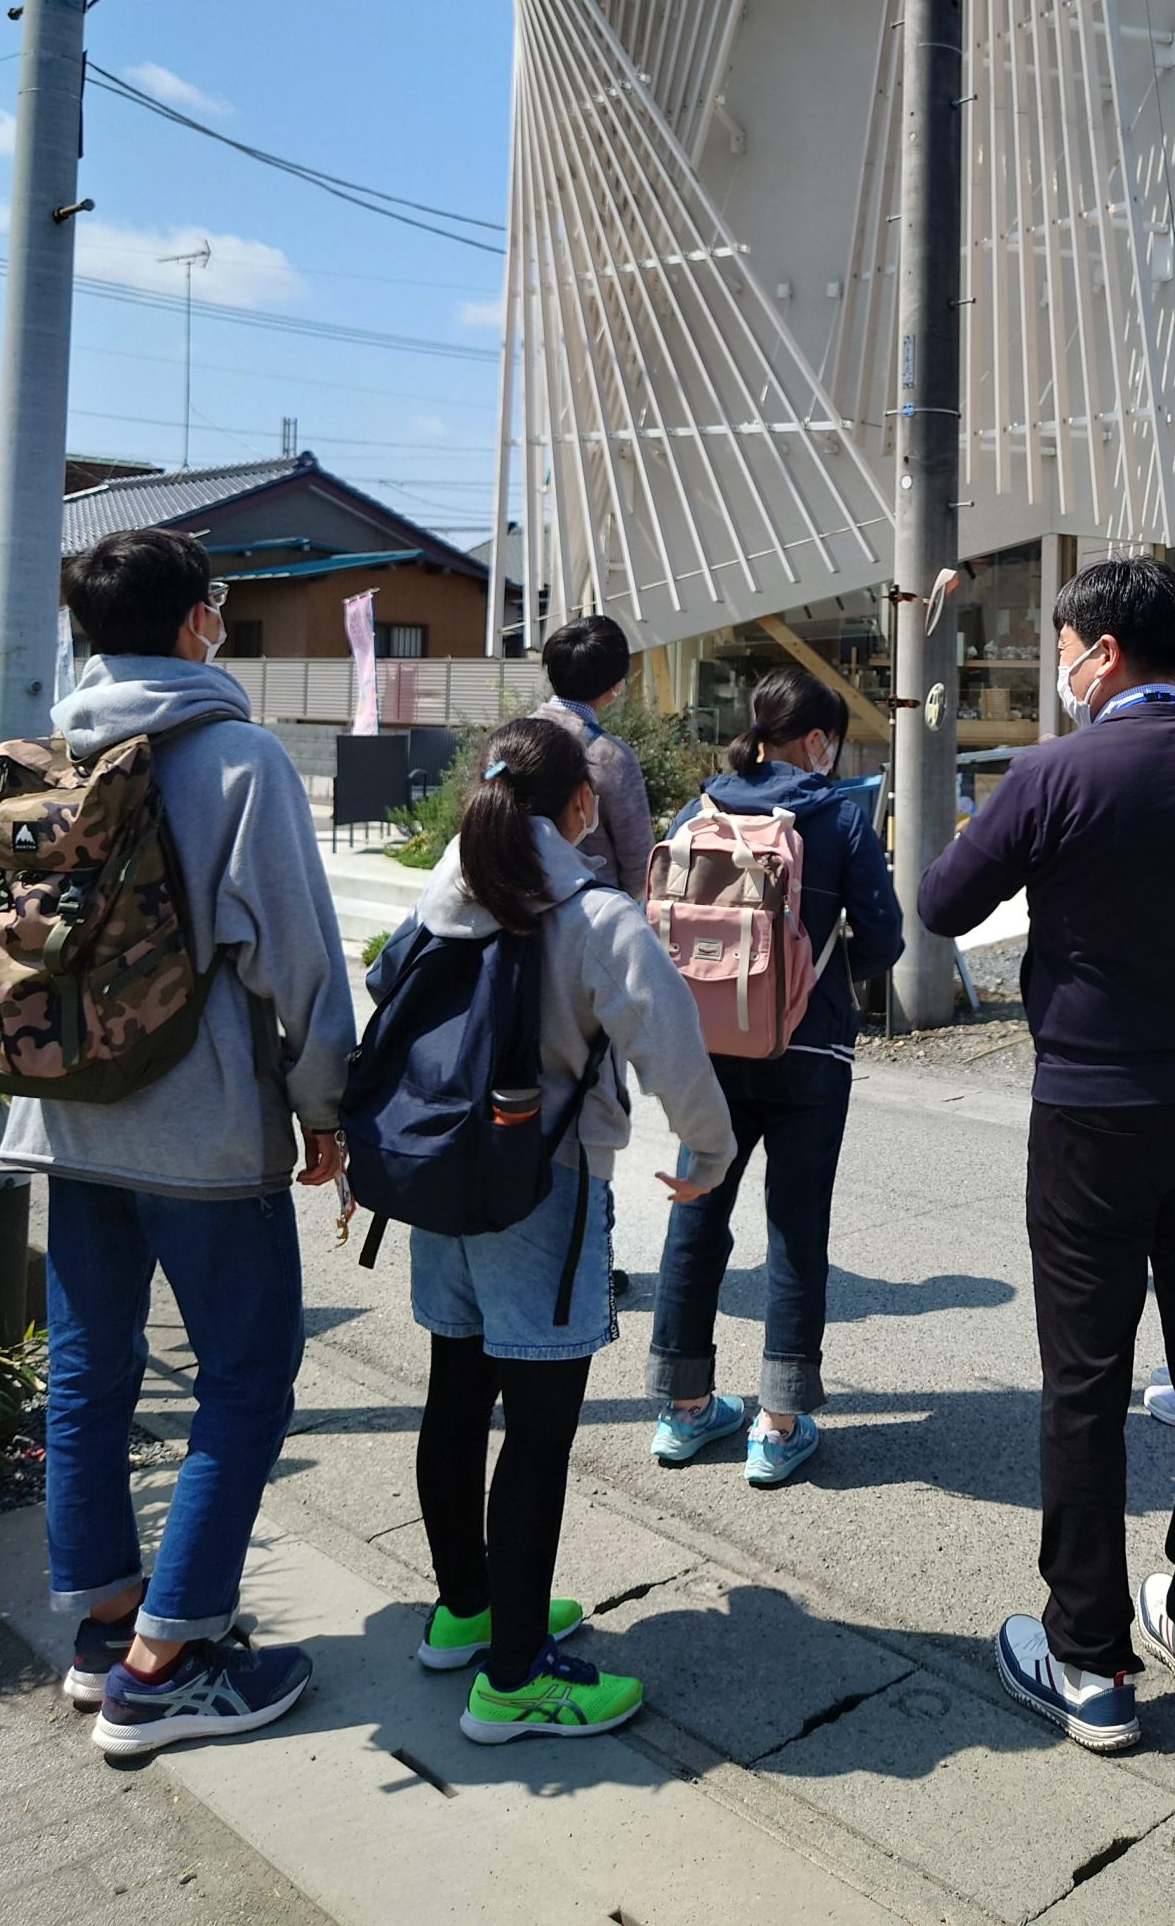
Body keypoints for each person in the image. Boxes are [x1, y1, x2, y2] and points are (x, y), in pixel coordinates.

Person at [919, 559, 1175, 1753]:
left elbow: (947, 902)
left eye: (1062, 644)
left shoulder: (1053, 773)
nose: (1059, 664)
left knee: (1085, 1379)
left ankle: (1090, 1655)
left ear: (1099, 654)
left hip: (1093, 1112)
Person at [0, 529, 353, 1756]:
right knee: (244, 1381)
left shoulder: (43, 756)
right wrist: (324, 1110)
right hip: (198, 1138)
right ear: (202, 620)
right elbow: (298, 960)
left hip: (64, 1118)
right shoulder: (238, 757)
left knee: (90, 1374)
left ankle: (102, 1632)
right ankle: (171, 1662)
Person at [399, 716, 736, 1741]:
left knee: (455, 1394)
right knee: (539, 1432)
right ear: (580, 807)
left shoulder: (442, 893)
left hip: (443, 1181)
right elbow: (669, 1039)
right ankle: (514, 1679)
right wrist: (708, 1153)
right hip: (544, 1188)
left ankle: (467, 1608)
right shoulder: (589, 911)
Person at [646, 669, 903, 1488]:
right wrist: (826, 984)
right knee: (796, 1229)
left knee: (697, 1216)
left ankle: (683, 1411)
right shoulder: (836, 814)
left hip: (708, 1052)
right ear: (818, 739)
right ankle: (778, 1423)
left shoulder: (701, 809)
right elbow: (886, 936)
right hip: (809, 1053)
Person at [536, 615, 654, 900]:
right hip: (591, 914)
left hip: (512, 908)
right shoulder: (610, 757)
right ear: (616, 686)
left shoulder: (505, 740)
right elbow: (640, 867)